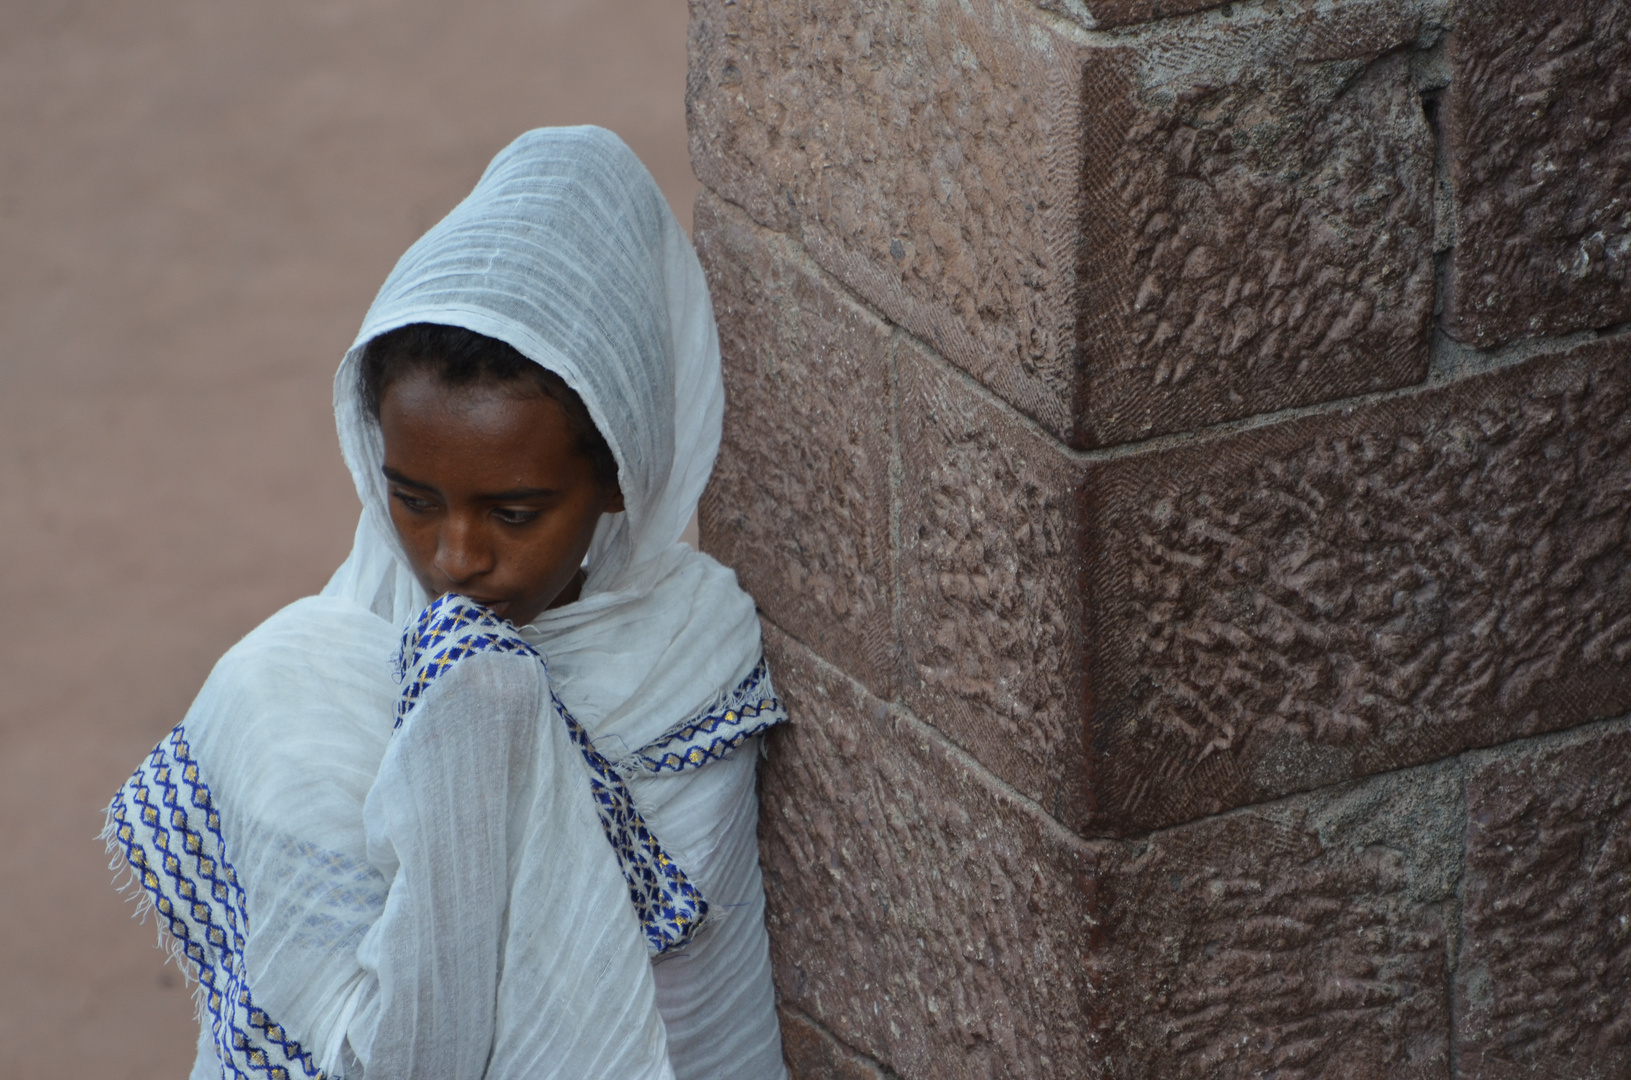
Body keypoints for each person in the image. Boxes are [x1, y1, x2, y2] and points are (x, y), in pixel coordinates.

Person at [104, 126, 789, 1080]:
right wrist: (471, 725)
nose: (455, 557)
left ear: (622, 477)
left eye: (514, 512)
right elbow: (386, 1057)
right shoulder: (292, 694)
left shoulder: (690, 660)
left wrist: (484, 721)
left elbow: (690, 1015)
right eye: (414, 500)